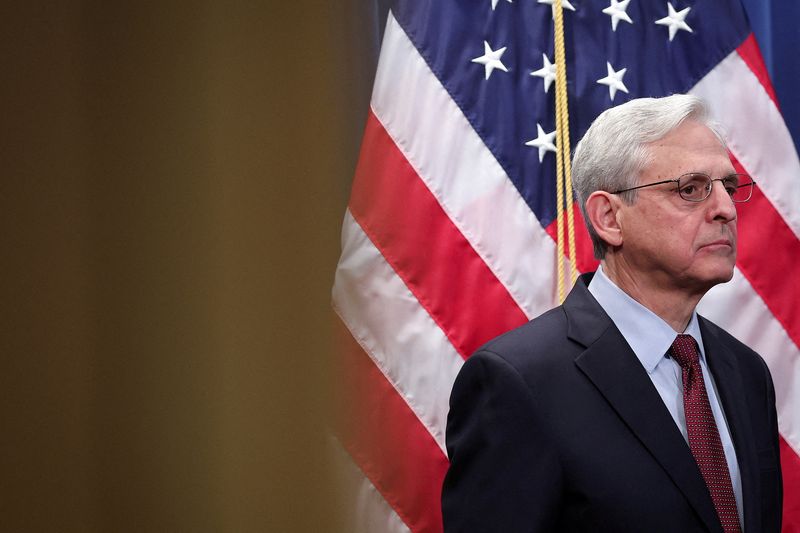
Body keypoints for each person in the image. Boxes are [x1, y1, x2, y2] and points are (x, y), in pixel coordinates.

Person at [441, 95, 783, 532]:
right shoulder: (516, 383)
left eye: (728, 187)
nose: (726, 210)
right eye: (691, 189)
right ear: (609, 218)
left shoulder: (747, 372)